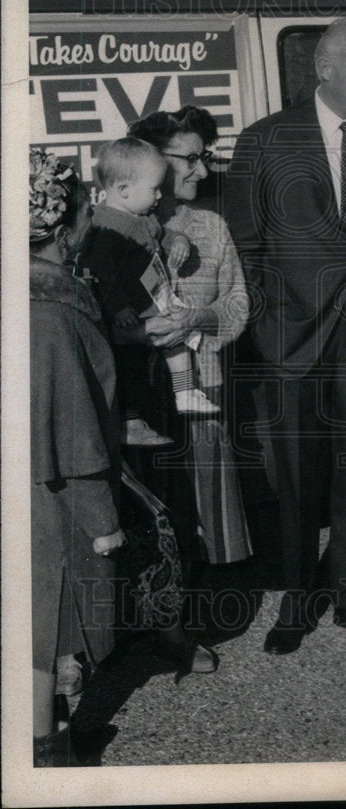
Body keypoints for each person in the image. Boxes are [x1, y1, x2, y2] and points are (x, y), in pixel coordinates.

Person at [223, 16, 346, 654]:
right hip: (289, 338)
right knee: (297, 474)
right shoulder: (264, 142)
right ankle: (299, 597)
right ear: (325, 68)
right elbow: (245, 249)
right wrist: (260, 331)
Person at [29, 150, 126, 766]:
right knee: (46, 618)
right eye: (86, 208)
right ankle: (45, 749)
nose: (93, 217)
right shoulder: (52, 315)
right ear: (64, 230)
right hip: (52, 497)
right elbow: (77, 436)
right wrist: (104, 523)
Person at [125, 105, 253, 570]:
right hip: (141, 398)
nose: (202, 169)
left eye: (205, 157)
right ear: (153, 160)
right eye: (191, 159)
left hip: (204, 387)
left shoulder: (210, 227)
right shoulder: (117, 228)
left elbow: (238, 303)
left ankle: (208, 595)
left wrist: (196, 318)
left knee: (205, 505)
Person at [85, 136, 219, 448]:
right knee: (129, 369)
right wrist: (118, 309)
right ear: (123, 190)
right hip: (130, 313)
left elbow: (163, 234)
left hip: (155, 299)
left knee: (179, 342)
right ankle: (131, 422)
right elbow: (102, 274)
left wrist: (178, 241)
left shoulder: (143, 217)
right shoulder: (105, 227)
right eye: (154, 189)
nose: (160, 195)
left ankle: (185, 393)